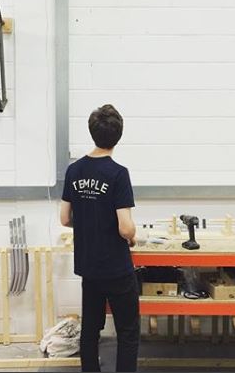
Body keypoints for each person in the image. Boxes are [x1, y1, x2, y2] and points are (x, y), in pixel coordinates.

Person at [60, 104, 140, 372]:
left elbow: (65, 218)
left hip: (89, 266)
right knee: (127, 331)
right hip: (116, 268)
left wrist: (89, 221)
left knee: (91, 329)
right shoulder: (118, 173)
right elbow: (125, 228)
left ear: (92, 132)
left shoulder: (74, 171)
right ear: (118, 135)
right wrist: (133, 235)